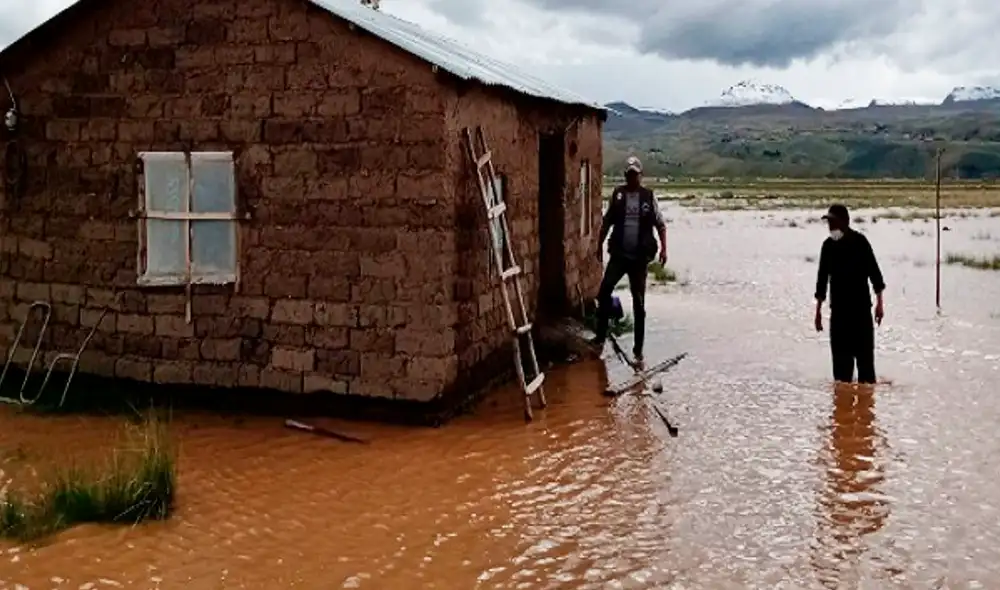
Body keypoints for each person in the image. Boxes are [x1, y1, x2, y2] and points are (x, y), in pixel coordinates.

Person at [590, 156, 667, 368]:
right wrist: (598, 246)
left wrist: (664, 249)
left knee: (639, 301)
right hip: (620, 255)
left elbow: (660, 224)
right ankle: (600, 336)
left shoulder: (648, 197)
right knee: (604, 291)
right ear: (626, 176)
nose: (632, 178)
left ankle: (638, 349)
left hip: (639, 258)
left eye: (636, 174)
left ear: (640, 176)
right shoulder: (618, 195)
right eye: (629, 174)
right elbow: (606, 222)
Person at [814, 204, 886, 384]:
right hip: (839, 315)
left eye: (834, 222)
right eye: (829, 223)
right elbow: (821, 281)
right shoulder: (828, 247)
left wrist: (879, 304)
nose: (831, 227)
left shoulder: (860, 243)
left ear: (845, 222)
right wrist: (818, 312)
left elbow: (875, 275)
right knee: (841, 376)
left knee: (866, 372)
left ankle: (865, 409)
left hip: (861, 314)